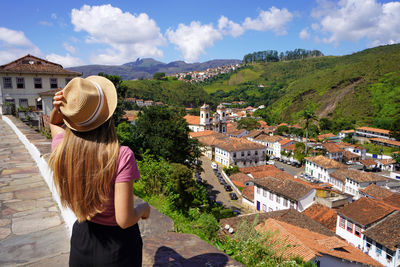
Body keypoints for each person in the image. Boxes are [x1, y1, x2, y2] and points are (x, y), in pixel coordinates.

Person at [48, 76, 150, 267]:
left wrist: (59, 109)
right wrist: (143, 209)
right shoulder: (121, 155)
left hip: (82, 239)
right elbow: (124, 219)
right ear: (108, 116)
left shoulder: (62, 148)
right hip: (118, 249)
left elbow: (54, 124)